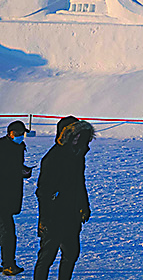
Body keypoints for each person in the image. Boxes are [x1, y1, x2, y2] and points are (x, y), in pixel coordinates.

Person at [34, 117, 94, 280]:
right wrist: (44, 219)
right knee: (47, 257)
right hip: (53, 216)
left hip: (71, 215)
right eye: (74, 135)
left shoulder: (78, 155)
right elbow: (43, 192)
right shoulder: (53, 158)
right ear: (64, 135)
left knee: (71, 253)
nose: (77, 139)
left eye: (80, 136)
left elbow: (79, 183)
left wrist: (84, 206)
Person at [0, 121, 33, 276]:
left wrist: (22, 170)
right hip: (2, 198)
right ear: (10, 133)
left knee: (5, 232)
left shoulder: (18, 146)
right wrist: (19, 172)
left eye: (22, 133)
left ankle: (7, 264)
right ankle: (8, 265)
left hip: (10, 195)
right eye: (18, 133)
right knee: (7, 233)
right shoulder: (2, 146)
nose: (21, 136)